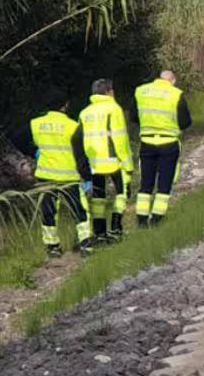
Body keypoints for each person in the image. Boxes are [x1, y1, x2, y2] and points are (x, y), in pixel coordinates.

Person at [10, 88, 94, 258]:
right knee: (79, 210)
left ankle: (52, 247)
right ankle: (85, 244)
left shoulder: (36, 124)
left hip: (46, 176)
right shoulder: (73, 126)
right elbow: (82, 154)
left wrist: (33, 151)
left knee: (48, 212)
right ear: (66, 105)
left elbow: (16, 138)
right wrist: (87, 177)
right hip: (69, 176)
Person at [134, 70, 192, 226]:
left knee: (146, 183)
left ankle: (141, 219)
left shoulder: (141, 91)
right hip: (168, 143)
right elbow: (185, 122)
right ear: (172, 80)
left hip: (146, 142)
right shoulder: (176, 94)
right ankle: (157, 219)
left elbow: (134, 116)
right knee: (164, 183)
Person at [78, 78, 134, 244]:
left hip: (93, 162)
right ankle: (116, 227)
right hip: (113, 160)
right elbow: (120, 139)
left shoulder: (84, 112)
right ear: (109, 91)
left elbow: (78, 140)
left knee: (98, 198)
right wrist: (127, 163)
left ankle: (100, 232)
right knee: (122, 192)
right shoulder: (114, 109)